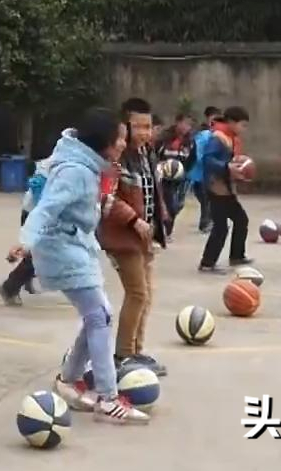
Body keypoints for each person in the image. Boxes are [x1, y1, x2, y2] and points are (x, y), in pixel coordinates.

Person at [11, 108, 149, 424]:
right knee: (98, 316)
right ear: (103, 144)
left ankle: (69, 379)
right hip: (60, 248)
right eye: (120, 140)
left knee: (99, 315)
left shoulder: (89, 165)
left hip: (76, 245)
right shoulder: (75, 170)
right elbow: (46, 208)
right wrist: (27, 240)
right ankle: (107, 396)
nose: (123, 145)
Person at [103, 101, 170, 377]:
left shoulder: (146, 153)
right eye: (138, 127)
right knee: (138, 293)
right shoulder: (117, 157)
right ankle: (123, 355)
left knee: (146, 296)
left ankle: (136, 350)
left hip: (144, 236)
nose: (144, 132)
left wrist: (160, 215)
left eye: (148, 126)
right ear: (125, 127)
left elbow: (152, 189)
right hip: (123, 237)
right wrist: (133, 219)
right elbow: (109, 197)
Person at [198, 106, 254, 274]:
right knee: (221, 227)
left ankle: (237, 255)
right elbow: (207, 160)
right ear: (231, 122)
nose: (244, 129)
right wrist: (227, 167)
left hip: (226, 188)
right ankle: (207, 263)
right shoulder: (218, 138)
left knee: (241, 219)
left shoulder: (232, 138)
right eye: (242, 125)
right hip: (216, 188)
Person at [0, 153, 55, 305]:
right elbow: (39, 194)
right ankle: (9, 287)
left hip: (37, 212)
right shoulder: (56, 166)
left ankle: (25, 280)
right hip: (36, 213)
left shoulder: (61, 163)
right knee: (40, 254)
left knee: (38, 254)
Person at [154, 113, 197, 239]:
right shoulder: (164, 138)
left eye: (189, 125)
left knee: (178, 204)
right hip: (164, 177)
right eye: (184, 123)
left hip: (180, 177)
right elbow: (155, 154)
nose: (186, 127)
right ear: (177, 122)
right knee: (168, 203)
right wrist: (160, 167)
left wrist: (184, 170)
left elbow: (192, 158)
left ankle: (166, 227)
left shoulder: (190, 142)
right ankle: (165, 231)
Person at [189, 106, 221, 233]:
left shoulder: (215, 135)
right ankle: (205, 223)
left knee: (210, 200)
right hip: (200, 176)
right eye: (213, 120)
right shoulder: (203, 135)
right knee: (207, 200)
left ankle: (210, 222)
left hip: (209, 175)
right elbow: (199, 154)